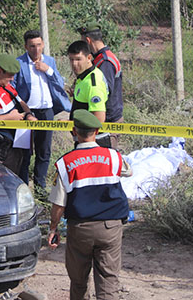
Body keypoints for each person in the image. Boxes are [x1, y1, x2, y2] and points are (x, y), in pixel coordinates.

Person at [47, 109, 132, 300]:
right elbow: (128, 172)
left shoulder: (64, 164)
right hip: (110, 227)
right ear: (96, 131)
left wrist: (53, 228)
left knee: (78, 281)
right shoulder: (113, 156)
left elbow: (59, 204)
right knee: (108, 280)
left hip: (80, 229)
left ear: (74, 132)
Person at [12, 30, 71, 188]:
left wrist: (48, 70)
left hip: (47, 111)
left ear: (43, 44)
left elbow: (59, 83)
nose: (36, 49)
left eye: (39, 45)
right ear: (26, 46)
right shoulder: (19, 63)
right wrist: (23, 111)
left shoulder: (50, 61)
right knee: (25, 153)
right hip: (27, 113)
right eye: (32, 46)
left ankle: (40, 187)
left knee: (44, 151)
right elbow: (12, 89)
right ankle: (23, 186)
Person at [78, 23, 124, 148]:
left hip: (106, 121)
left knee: (105, 163)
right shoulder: (100, 58)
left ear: (88, 40)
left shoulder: (105, 62)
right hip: (105, 119)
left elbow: (103, 92)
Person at [67, 40, 110, 147]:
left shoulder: (92, 84)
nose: (74, 64)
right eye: (71, 59)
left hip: (93, 142)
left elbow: (99, 118)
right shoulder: (84, 75)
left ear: (89, 58)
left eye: (78, 59)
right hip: (84, 140)